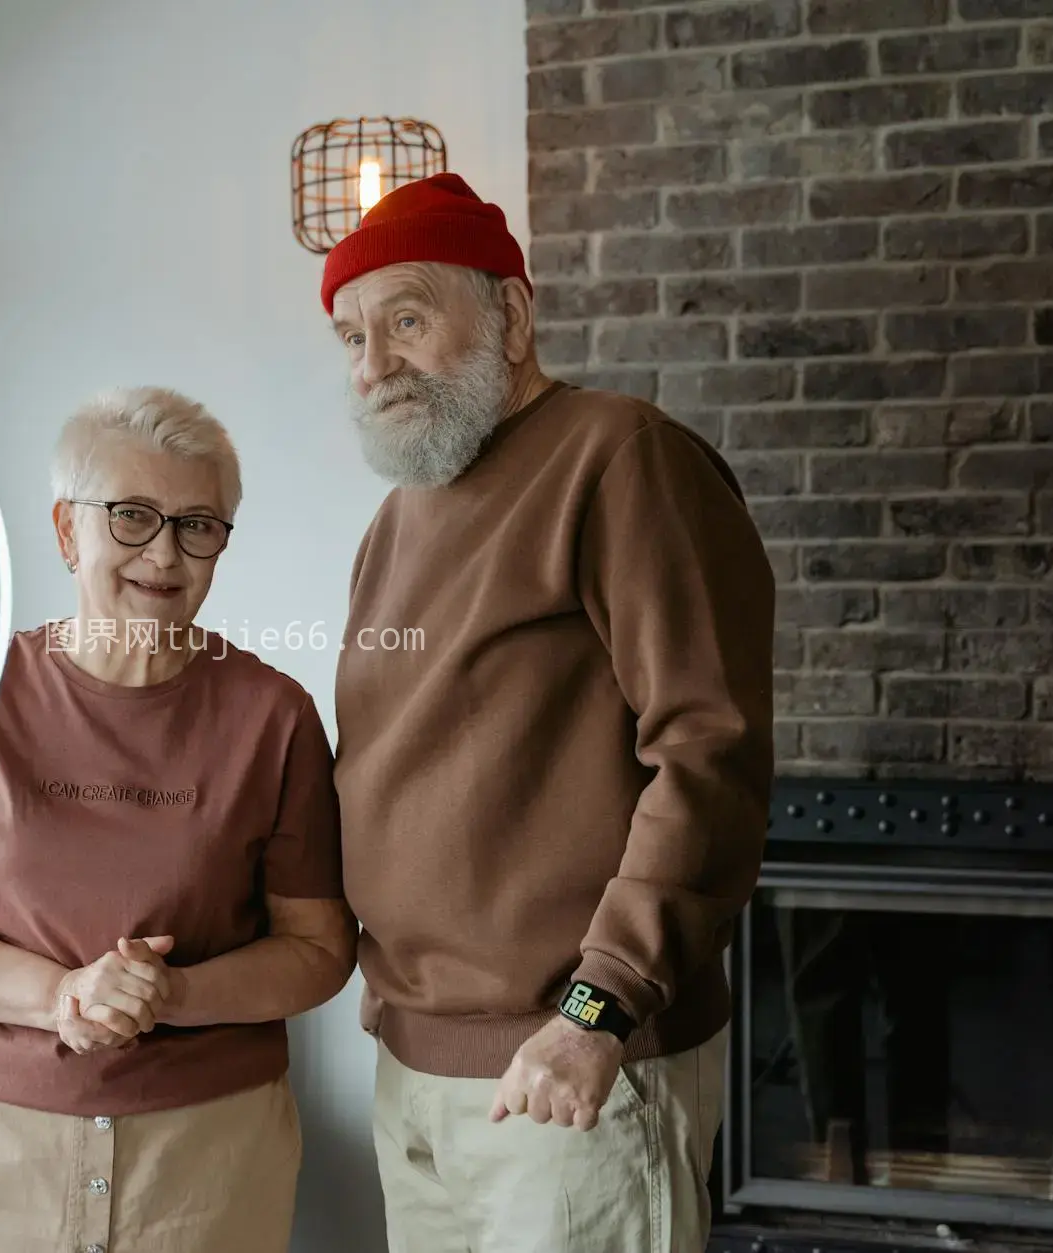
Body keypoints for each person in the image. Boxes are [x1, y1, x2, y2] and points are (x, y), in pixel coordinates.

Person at [323, 172, 776, 1250]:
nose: (373, 363)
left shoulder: (620, 456)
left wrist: (596, 1009)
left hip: (574, 1068)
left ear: (512, 316)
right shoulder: (397, 518)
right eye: (349, 336)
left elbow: (706, 751)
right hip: (414, 1073)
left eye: (407, 318)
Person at [0, 385, 356, 1253]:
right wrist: (60, 993)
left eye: (198, 524)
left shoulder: (273, 717)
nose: (164, 553)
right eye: (131, 516)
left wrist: (174, 995)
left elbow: (320, 949)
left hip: (205, 1150)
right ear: (67, 531)